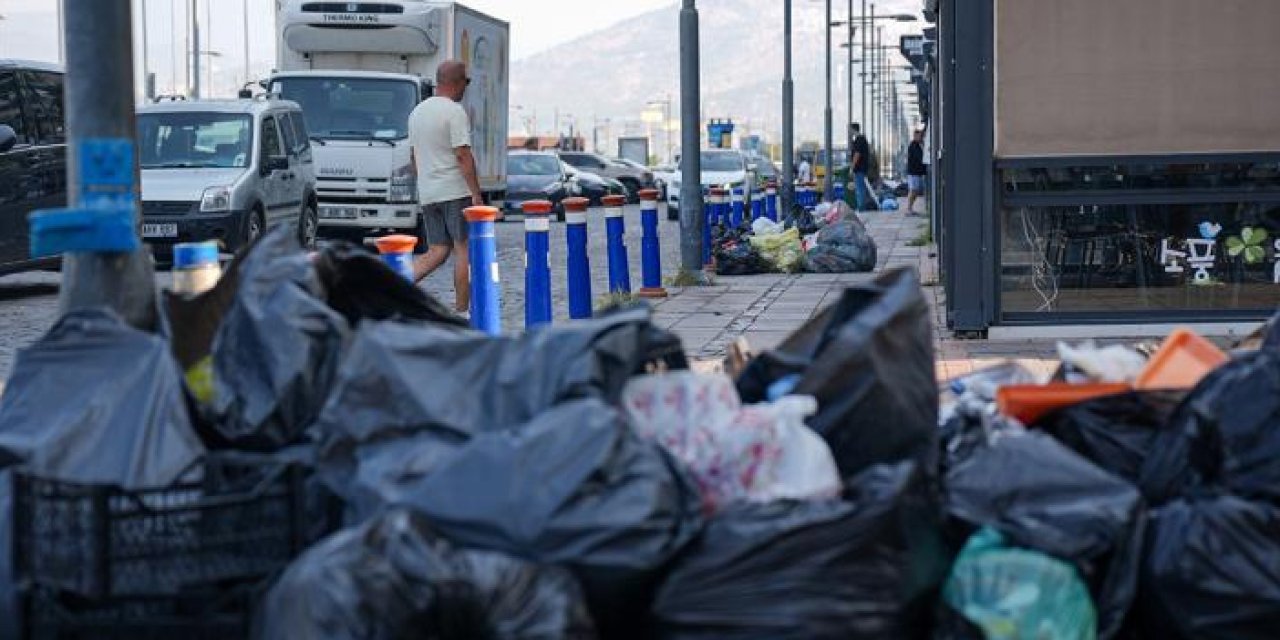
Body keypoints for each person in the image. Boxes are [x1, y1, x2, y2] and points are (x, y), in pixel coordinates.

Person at [409, 60, 484, 314]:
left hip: (429, 192)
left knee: (437, 250)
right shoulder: (454, 112)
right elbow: (462, 154)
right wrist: (475, 194)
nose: (466, 87)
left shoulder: (417, 113)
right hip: (455, 190)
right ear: (457, 82)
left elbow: (414, 157)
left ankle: (390, 286)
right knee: (463, 247)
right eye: (467, 81)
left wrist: (427, 183)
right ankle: (463, 311)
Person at [850, 123, 872, 211]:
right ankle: (862, 206)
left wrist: (852, 167)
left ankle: (861, 208)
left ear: (853, 130)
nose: (849, 132)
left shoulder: (859, 140)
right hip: (862, 168)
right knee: (861, 188)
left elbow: (857, 155)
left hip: (859, 169)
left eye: (850, 130)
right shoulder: (862, 139)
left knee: (860, 189)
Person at [906, 128, 927, 216]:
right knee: (913, 190)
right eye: (919, 136)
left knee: (916, 190)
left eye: (922, 136)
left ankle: (910, 208)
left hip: (917, 172)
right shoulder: (913, 145)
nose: (921, 137)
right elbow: (920, 158)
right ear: (915, 136)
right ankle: (909, 209)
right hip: (913, 172)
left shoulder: (918, 145)